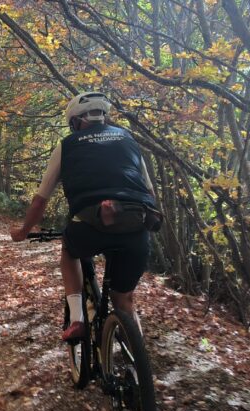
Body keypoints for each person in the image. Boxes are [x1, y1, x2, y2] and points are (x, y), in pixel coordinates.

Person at [9, 92, 159, 341]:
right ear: (103, 117)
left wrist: (24, 231)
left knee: (69, 250)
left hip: (90, 227)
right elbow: (150, 193)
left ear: (76, 121)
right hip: (135, 224)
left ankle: (78, 318)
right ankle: (136, 363)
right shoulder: (128, 140)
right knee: (124, 299)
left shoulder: (68, 145)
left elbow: (40, 199)